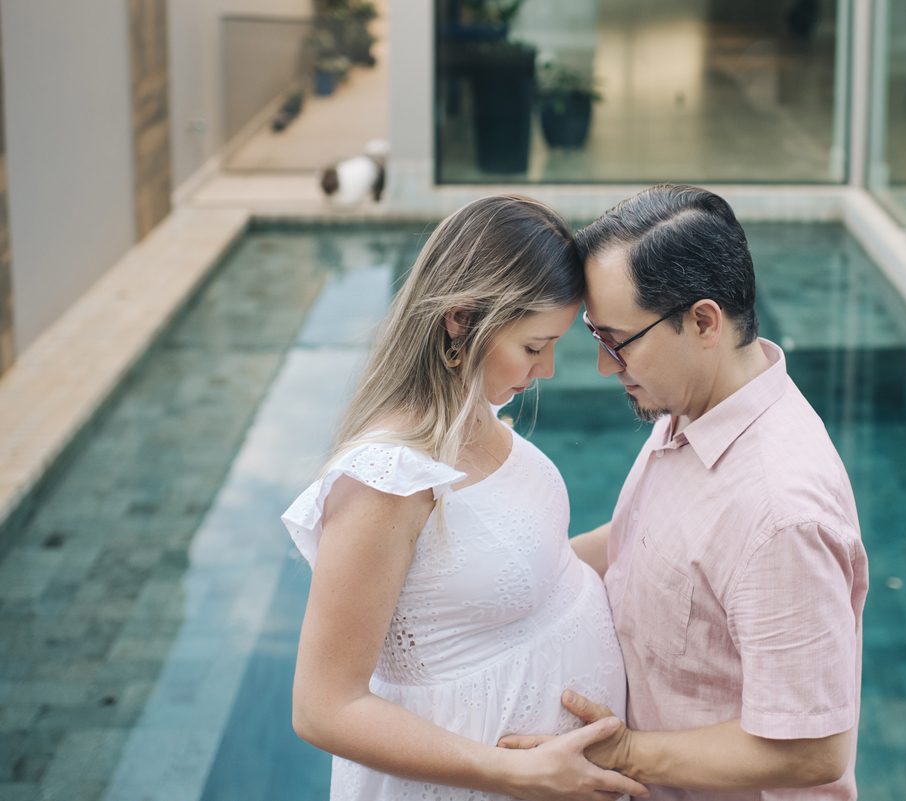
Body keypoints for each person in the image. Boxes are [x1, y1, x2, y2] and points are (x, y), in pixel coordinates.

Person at [500, 185, 870, 800]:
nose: (603, 366)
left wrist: (624, 755)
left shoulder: (780, 514)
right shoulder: (694, 405)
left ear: (703, 322)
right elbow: (635, 541)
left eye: (617, 341)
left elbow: (813, 751)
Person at [282, 195, 648, 801]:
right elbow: (323, 707)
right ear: (459, 318)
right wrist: (517, 773)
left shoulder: (479, 412)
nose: (549, 368)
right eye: (534, 346)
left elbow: (536, 569)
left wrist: (677, 519)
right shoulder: (386, 479)